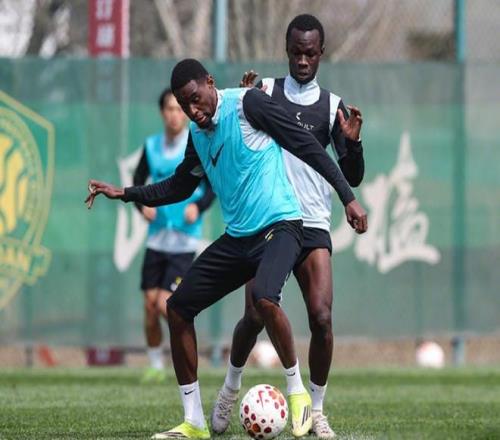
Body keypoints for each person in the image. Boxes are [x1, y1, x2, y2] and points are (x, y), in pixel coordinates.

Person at [85, 58, 368, 439]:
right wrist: (126, 193)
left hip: (282, 225)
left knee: (265, 298)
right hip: (239, 239)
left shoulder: (247, 103)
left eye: (195, 98)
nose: (192, 110)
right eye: (184, 105)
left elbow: (306, 146)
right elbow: (180, 185)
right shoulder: (198, 134)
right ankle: (194, 422)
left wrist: (348, 198)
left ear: (210, 82)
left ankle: (298, 392)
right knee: (178, 308)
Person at [212, 14, 365, 439]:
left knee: (322, 317)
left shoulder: (332, 107)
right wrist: (243, 103)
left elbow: (352, 175)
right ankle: (228, 390)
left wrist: (352, 143)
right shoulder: (265, 91)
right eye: (296, 52)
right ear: (286, 50)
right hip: (270, 220)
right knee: (253, 315)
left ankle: (316, 410)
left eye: (310, 53)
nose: (302, 60)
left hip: (312, 223)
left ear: (321, 54)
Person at [133, 88, 215, 383]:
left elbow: (212, 186)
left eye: (179, 109)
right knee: (149, 305)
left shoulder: (196, 143)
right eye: (169, 109)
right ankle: (156, 365)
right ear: (162, 113)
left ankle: (188, 347)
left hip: (184, 240)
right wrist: (141, 206)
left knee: (165, 303)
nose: (174, 115)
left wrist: (197, 206)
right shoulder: (151, 146)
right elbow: (137, 180)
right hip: (157, 239)